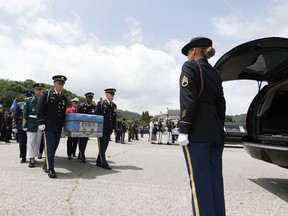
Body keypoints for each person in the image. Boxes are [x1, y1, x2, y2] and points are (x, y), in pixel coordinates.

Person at [178, 37, 226, 216]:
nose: (188, 55)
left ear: (194, 51)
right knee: (215, 180)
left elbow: (188, 98)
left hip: (196, 133)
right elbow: (221, 104)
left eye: (188, 52)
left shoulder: (189, 66)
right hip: (215, 132)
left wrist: (184, 128)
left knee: (200, 182)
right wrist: (219, 127)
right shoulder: (215, 72)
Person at [37, 75, 68, 178]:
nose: (61, 86)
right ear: (54, 83)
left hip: (58, 126)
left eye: (62, 84)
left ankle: (46, 163)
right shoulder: (47, 94)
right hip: (48, 126)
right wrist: (40, 122)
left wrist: (64, 126)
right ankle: (51, 168)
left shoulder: (64, 97)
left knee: (54, 146)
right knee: (50, 146)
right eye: (59, 83)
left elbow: (63, 113)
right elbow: (40, 108)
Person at [23, 83, 44, 168]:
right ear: (34, 90)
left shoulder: (44, 100)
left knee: (38, 142)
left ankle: (34, 156)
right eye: (37, 89)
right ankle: (31, 158)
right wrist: (24, 125)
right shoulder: (29, 101)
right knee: (31, 141)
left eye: (40, 89)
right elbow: (25, 113)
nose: (39, 91)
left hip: (40, 124)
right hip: (31, 123)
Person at [95, 88, 117, 170]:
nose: (113, 96)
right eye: (111, 94)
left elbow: (114, 118)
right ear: (107, 95)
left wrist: (114, 128)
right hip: (102, 128)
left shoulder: (114, 105)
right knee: (102, 145)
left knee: (105, 146)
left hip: (109, 129)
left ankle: (98, 160)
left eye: (113, 94)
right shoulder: (101, 103)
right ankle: (103, 162)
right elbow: (96, 116)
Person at [13, 91, 32, 163]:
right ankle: (23, 156)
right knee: (22, 142)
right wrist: (14, 126)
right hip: (21, 125)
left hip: (30, 125)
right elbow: (15, 116)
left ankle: (30, 157)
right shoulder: (19, 104)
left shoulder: (33, 104)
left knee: (30, 142)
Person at [78, 92, 95, 163]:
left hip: (89, 127)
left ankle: (81, 153)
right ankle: (83, 156)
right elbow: (78, 116)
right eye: (89, 98)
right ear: (86, 98)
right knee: (81, 141)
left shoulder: (93, 107)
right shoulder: (81, 106)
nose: (90, 99)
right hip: (82, 127)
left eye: (91, 98)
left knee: (85, 141)